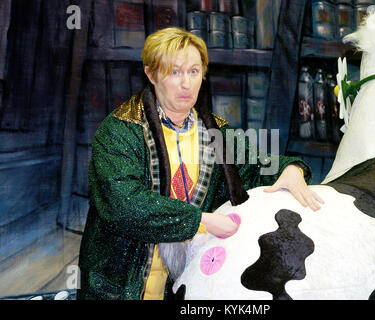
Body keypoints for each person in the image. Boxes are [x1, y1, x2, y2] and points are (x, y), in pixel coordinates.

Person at [78, 27, 324, 300]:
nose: (186, 84)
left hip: (186, 285)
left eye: (194, 71)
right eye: (174, 72)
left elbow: (256, 165)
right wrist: (201, 221)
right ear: (151, 74)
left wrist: (290, 169)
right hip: (120, 286)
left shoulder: (213, 131)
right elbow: (123, 205)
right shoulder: (119, 131)